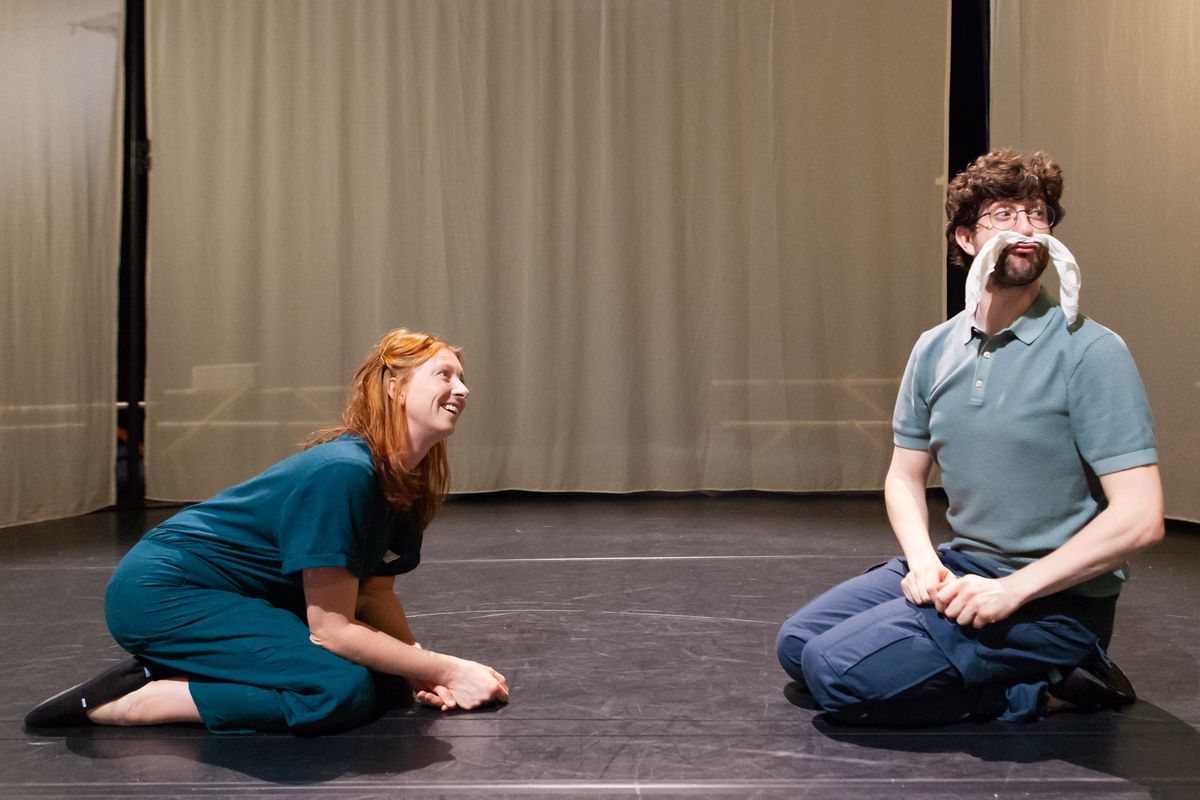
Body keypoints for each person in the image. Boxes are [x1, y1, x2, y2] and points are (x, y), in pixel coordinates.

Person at [775, 150, 1164, 726]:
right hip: (963, 565)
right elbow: (904, 476)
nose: (1025, 228)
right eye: (1004, 214)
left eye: (1037, 214)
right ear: (965, 238)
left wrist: (1013, 591)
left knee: (834, 672)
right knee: (797, 644)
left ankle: (1055, 687)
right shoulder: (936, 347)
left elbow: (1141, 518)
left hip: (1053, 600)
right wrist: (923, 562)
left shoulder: (1091, 350)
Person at [25, 328, 509, 733]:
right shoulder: (343, 472)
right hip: (163, 592)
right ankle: (136, 703)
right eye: (444, 374)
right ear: (395, 388)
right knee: (338, 690)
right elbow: (333, 630)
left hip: (241, 598)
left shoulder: (407, 483)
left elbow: (374, 594)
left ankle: (191, 662)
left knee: (389, 680)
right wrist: (449, 668)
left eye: (463, 378)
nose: (463, 390)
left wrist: (421, 667)